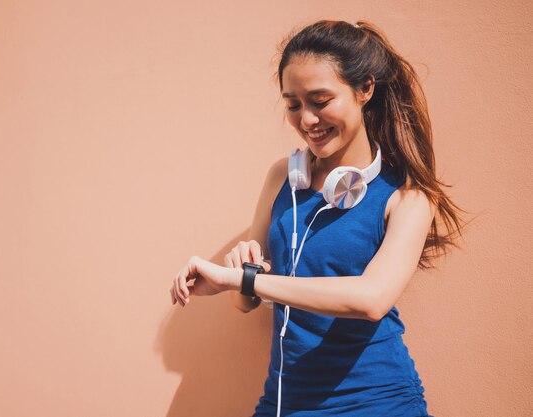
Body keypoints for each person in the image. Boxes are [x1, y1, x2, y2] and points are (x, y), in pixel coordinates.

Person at [169, 19, 468, 417]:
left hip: (377, 403)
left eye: (320, 100)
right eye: (293, 104)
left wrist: (244, 279)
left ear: (365, 90)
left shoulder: (408, 196)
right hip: (284, 401)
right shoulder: (282, 179)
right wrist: (243, 272)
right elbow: (245, 302)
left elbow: (372, 299)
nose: (307, 119)